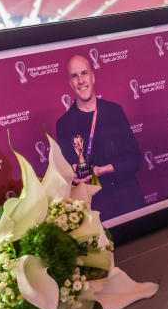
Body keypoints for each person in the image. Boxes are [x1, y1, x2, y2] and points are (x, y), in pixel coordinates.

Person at [56, 54, 144, 222]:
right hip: (97, 210)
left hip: (129, 200)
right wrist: (71, 174)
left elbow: (136, 159)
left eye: (84, 73)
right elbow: (67, 173)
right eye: (75, 76)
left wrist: (104, 169)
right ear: (70, 83)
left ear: (93, 76)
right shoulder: (63, 124)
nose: (81, 80)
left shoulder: (115, 111)